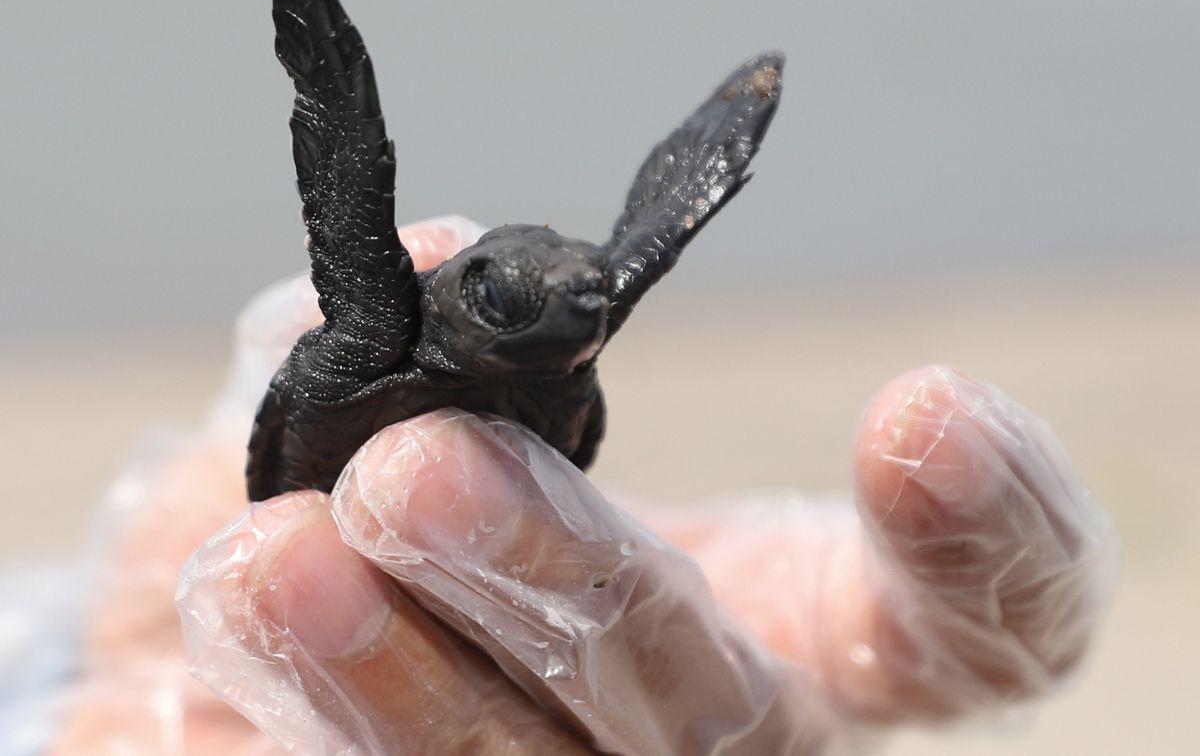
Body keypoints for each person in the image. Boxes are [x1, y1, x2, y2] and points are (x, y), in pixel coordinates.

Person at [46, 217, 1115, 754]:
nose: (574, 318)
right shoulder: (384, 316)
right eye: (531, 302)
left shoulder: (562, 329)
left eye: (592, 304)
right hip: (313, 508)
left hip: (496, 504)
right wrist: (90, 687)